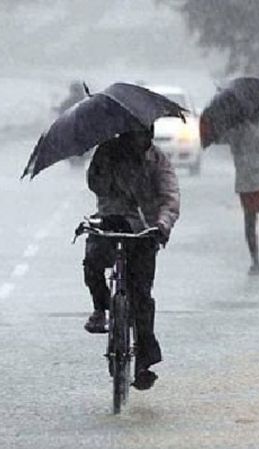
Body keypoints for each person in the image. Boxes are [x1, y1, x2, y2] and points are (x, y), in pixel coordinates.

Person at [83, 126, 180, 390]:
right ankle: (101, 309)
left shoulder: (158, 160)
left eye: (143, 134)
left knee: (142, 297)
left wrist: (162, 225)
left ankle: (144, 363)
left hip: (146, 231)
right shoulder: (107, 151)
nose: (138, 140)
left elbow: (170, 198)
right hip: (111, 221)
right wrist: (108, 168)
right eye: (133, 134)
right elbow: (94, 184)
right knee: (92, 261)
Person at [222, 107, 259, 276]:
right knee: (250, 220)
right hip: (246, 178)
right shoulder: (236, 126)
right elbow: (231, 146)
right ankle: (254, 261)